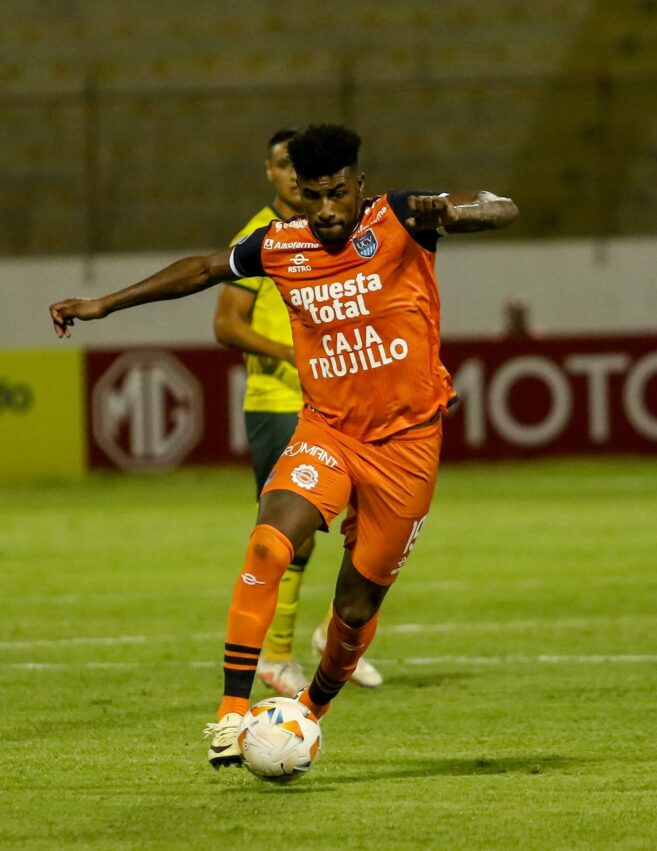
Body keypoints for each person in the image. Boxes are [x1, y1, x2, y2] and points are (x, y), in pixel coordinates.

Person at [49, 123, 518, 770]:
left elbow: (499, 207)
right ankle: (229, 713)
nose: (324, 211)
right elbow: (205, 268)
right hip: (326, 430)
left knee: (354, 609)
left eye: (335, 194)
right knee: (271, 540)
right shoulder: (281, 243)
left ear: (357, 184)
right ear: (296, 193)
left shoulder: (401, 217)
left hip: (407, 445)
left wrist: (455, 209)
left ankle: (310, 708)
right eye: (311, 197)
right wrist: (104, 303)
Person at [214, 128, 382, 695]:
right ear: (270, 173)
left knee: (373, 529)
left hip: (344, 406)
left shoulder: (343, 235)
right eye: (281, 166)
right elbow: (226, 325)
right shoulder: (263, 238)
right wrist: (294, 353)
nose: (291, 175)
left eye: (297, 167)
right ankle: (277, 655)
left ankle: (335, 635)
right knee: (295, 536)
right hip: (280, 401)